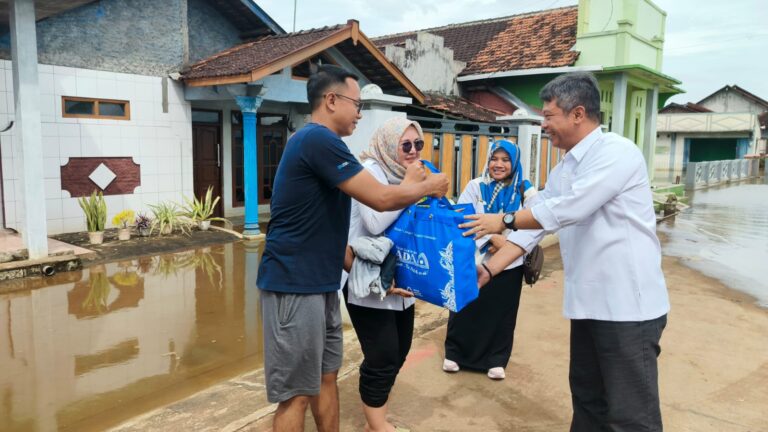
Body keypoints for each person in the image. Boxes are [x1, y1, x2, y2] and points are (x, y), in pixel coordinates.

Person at [461, 72, 670, 431]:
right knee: (587, 402)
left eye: (548, 115)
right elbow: (538, 223)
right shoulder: (566, 167)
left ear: (577, 114)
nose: (544, 125)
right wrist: (491, 270)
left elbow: (569, 209)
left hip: (627, 308)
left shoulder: (617, 153)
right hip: (588, 306)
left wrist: (504, 218)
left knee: (631, 416)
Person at [256, 64, 449, 432]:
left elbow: (332, 235)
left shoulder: (327, 146)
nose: (360, 113)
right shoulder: (316, 140)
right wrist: (424, 185)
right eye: (356, 104)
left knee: (326, 378)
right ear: (331, 100)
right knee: (296, 393)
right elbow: (380, 199)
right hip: (293, 285)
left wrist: (374, 278)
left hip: (322, 284)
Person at [342, 116, 425, 432]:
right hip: (366, 279)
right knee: (382, 356)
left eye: (418, 144)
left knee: (400, 351)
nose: (413, 151)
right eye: (406, 145)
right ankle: (376, 426)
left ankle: (376, 417)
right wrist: (411, 188)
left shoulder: (406, 174)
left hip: (401, 279)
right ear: (390, 146)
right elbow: (376, 221)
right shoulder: (371, 171)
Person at [442, 139, 540, 381]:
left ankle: (496, 360)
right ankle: (455, 353)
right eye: (494, 159)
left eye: (505, 160)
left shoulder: (525, 190)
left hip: (510, 263)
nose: (498, 164)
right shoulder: (476, 186)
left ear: (514, 162)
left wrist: (507, 244)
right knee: (465, 305)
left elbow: (537, 222)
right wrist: (493, 239)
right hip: (474, 258)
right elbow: (463, 218)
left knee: (502, 311)